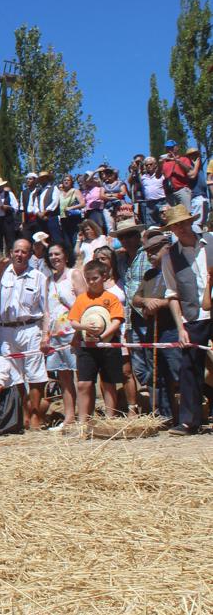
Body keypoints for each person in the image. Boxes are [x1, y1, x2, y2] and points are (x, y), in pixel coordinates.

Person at [0, 239, 50, 431]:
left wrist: (46, 335)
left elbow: (46, 309)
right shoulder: (2, 275)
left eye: (24, 252)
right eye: (16, 251)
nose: (20, 255)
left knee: (35, 374)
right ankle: (24, 413)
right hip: (6, 329)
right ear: (11, 253)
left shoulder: (38, 277)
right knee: (15, 375)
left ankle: (36, 414)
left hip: (30, 327)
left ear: (30, 255)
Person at [159, 204, 212, 435]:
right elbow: (171, 294)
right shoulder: (169, 256)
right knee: (189, 367)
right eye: (174, 225)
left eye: (182, 223)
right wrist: (180, 327)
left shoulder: (211, 241)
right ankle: (189, 421)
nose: (180, 228)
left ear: (191, 221)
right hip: (194, 316)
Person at [69, 259, 126, 431]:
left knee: (108, 383)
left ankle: (110, 420)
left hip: (108, 345)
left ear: (104, 277)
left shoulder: (111, 298)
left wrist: (103, 336)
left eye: (95, 278)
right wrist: (84, 327)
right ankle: (83, 422)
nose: (91, 282)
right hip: (87, 346)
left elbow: (117, 320)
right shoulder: (81, 299)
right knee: (84, 383)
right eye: (88, 279)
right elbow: (73, 321)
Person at [132, 229, 180, 420]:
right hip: (153, 328)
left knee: (177, 371)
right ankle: (164, 415)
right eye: (148, 252)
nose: (150, 255)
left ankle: (186, 415)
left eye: (154, 251)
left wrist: (160, 303)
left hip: (172, 328)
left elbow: (182, 296)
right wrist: (145, 302)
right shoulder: (149, 274)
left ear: (166, 248)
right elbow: (136, 297)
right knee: (157, 373)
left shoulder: (176, 270)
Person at [44, 243, 79, 429]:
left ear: (65, 255)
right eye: (50, 254)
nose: (54, 257)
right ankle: (69, 417)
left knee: (80, 376)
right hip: (55, 334)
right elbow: (47, 311)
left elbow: (83, 303)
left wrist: (81, 332)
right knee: (63, 377)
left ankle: (84, 416)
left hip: (73, 332)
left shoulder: (74, 274)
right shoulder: (49, 280)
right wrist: (45, 336)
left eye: (57, 253)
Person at [161, 140, 195, 211]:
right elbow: (160, 176)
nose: (170, 150)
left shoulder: (184, 159)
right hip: (170, 193)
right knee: (173, 216)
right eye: (168, 148)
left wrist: (178, 161)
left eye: (171, 148)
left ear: (177, 148)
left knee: (187, 213)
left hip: (182, 190)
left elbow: (188, 170)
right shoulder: (165, 163)